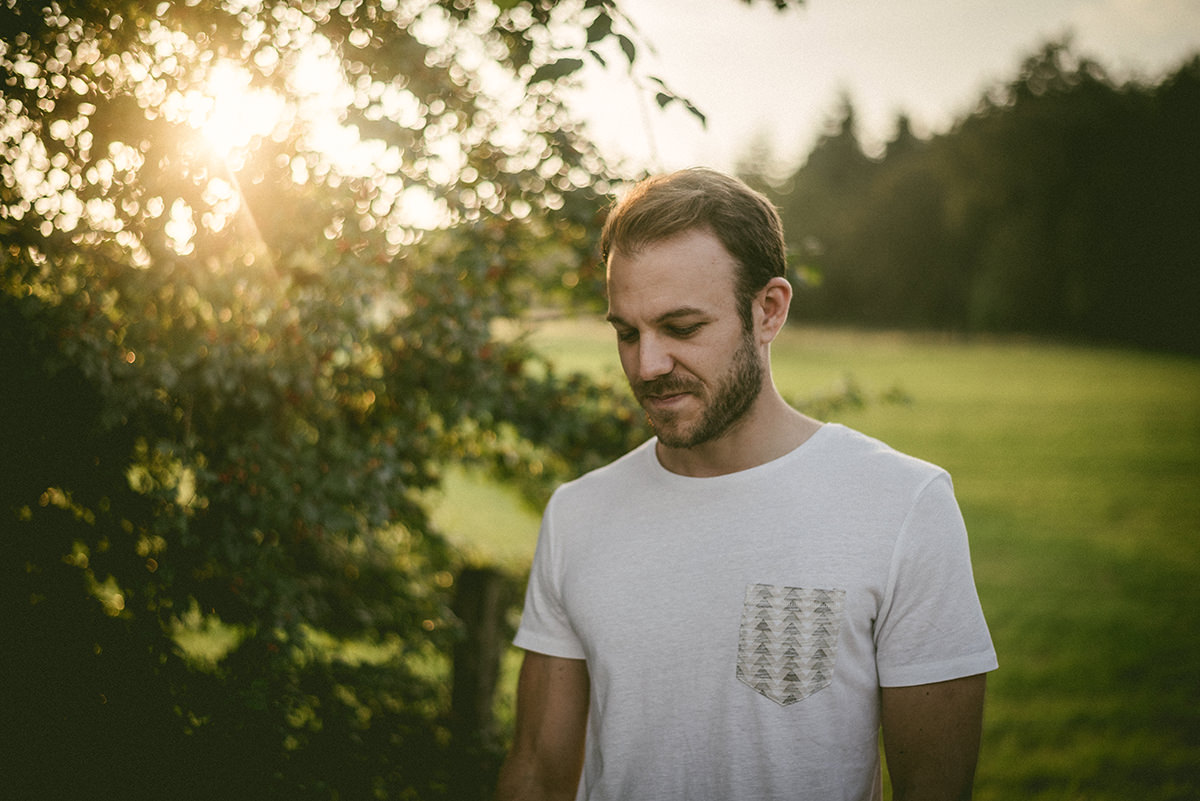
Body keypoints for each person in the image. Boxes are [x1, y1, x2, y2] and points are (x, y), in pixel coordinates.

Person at [494, 167, 997, 801]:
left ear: (769, 310)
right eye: (627, 332)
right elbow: (538, 770)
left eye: (681, 328)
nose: (647, 365)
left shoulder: (901, 505)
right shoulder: (577, 514)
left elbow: (933, 788)